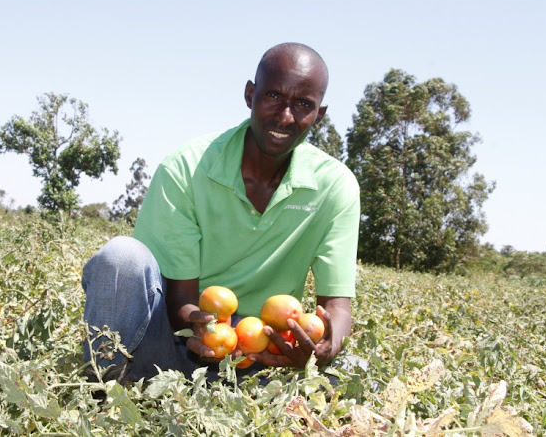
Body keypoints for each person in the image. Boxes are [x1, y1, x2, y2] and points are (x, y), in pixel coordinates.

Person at [81, 42, 360, 383]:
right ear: (250, 95)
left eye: (303, 104)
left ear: (320, 114)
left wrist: (325, 349)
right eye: (273, 96)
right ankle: (103, 390)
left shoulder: (336, 187)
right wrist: (200, 330)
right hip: (177, 339)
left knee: (354, 384)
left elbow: (337, 307)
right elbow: (181, 298)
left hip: (264, 355)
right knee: (121, 258)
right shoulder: (185, 167)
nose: (285, 116)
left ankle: (218, 391)